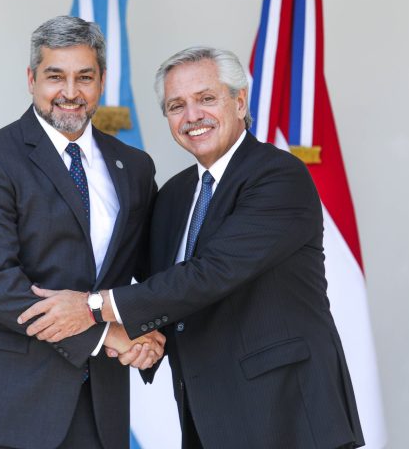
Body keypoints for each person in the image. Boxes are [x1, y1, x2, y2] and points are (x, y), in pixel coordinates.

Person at [19, 46, 365, 448]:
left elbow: (210, 274)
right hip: (206, 416)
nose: (192, 116)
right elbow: (160, 286)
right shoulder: (174, 196)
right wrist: (138, 339)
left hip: (288, 416)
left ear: (239, 101)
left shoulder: (279, 176)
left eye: (206, 99)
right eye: (176, 106)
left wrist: (91, 307)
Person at [0, 16, 165, 449]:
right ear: (31, 79)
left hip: (98, 407)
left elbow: (155, 271)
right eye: (55, 76)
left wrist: (149, 332)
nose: (71, 93)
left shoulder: (133, 166)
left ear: (101, 81)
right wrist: (107, 334)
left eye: (85, 77)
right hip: (1, 406)